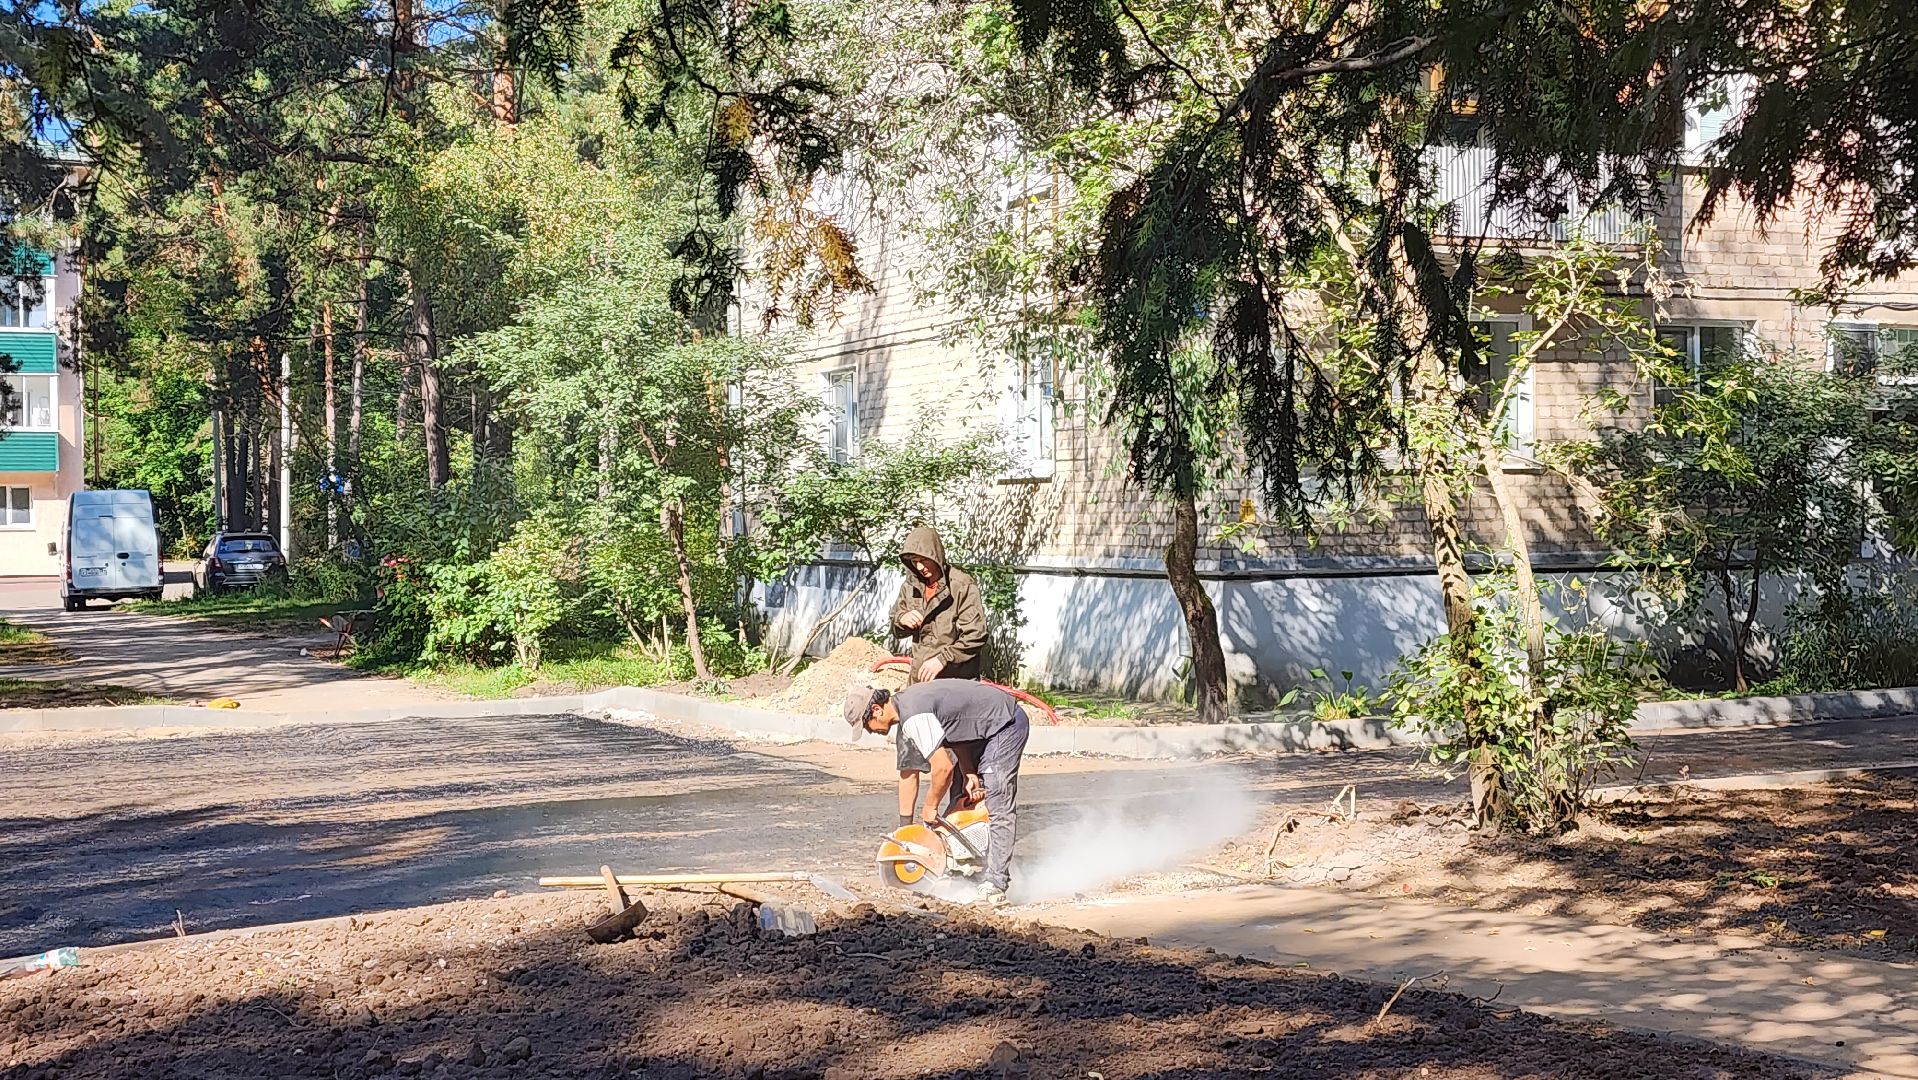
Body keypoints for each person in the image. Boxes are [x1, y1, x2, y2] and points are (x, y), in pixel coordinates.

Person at [846, 679, 1030, 906]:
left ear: (876, 710)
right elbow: (956, 731)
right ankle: (970, 870)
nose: (869, 731)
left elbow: (943, 768)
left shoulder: (914, 716)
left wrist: (930, 805)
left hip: (1006, 723)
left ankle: (996, 884)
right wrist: (968, 770)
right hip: (983, 728)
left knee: (997, 800)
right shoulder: (907, 706)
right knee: (961, 795)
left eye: (866, 725)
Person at [887, 525, 988, 826]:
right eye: (913, 561)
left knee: (962, 765)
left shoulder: (962, 585)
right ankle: (906, 830)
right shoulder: (910, 586)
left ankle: (958, 827)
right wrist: (902, 619)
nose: (920, 567)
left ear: (937, 555)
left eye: (924, 560)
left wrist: (944, 658)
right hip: (919, 688)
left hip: (955, 690)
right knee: (909, 758)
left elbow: (976, 635)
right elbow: (895, 624)